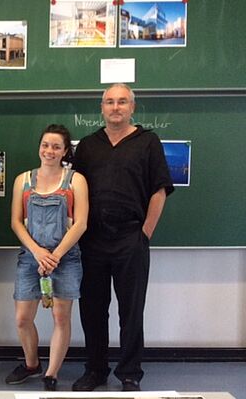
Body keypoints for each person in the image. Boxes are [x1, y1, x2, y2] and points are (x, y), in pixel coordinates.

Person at [72, 83, 174, 392]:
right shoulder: (88, 146)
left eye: (122, 102)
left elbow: (159, 191)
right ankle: (96, 370)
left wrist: (145, 233)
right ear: (101, 108)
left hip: (131, 237)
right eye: (109, 102)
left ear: (132, 107)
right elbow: (75, 191)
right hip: (92, 241)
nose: (115, 107)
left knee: (131, 310)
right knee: (92, 309)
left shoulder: (147, 142)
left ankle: (129, 373)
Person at [6, 125, 88, 391]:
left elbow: (81, 224)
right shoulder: (23, 180)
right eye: (45, 145)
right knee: (22, 318)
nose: (49, 151)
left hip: (65, 257)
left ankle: (51, 373)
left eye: (56, 146)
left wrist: (55, 255)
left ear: (65, 151)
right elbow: (16, 223)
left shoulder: (76, 180)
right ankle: (32, 364)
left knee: (60, 317)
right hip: (31, 257)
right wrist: (38, 252)